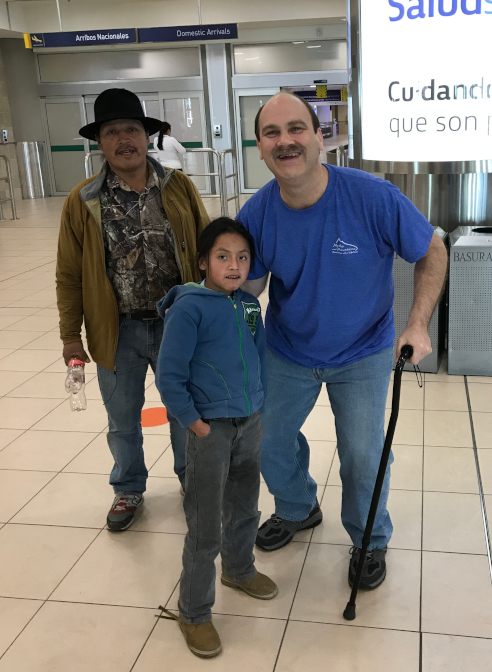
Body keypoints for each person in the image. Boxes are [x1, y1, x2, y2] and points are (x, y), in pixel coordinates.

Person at [239, 92, 448, 589]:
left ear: (319, 137)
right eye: (272, 133)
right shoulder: (258, 213)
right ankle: (296, 507)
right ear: (261, 148)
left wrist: (417, 323)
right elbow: (249, 286)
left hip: (363, 351)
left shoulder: (371, 197)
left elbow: (431, 249)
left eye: (296, 129)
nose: (285, 141)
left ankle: (370, 538)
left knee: (363, 452)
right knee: (267, 441)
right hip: (288, 348)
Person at [56, 88, 209, 532]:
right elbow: (69, 274)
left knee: (186, 411)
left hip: (177, 326)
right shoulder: (82, 200)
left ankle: (192, 481)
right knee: (122, 418)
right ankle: (128, 489)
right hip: (115, 330)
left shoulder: (178, 188)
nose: (124, 139)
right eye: (112, 131)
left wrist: (215, 314)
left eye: (132, 129)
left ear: (148, 137)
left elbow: (205, 251)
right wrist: (71, 336)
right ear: (99, 143)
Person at [156, 218, 277, 659]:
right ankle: (193, 611)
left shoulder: (247, 305)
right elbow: (170, 376)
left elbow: (260, 357)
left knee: (245, 505)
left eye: (242, 257)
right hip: (210, 428)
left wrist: (260, 405)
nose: (233, 265)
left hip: (249, 421)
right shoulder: (189, 307)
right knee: (206, 522)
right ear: (203, 261)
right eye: (222, 257)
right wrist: (195, 422)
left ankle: (240, 569)